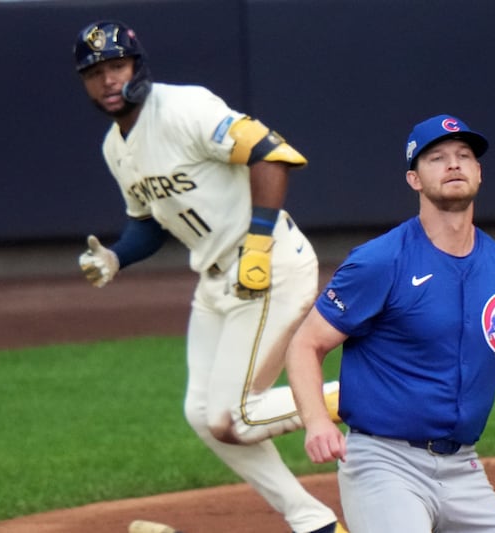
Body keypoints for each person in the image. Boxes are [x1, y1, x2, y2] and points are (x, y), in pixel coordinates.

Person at [72, 20, 345, 533]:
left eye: (116, 66)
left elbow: (271, 152)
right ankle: (315, 522)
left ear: (136, 66)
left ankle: (357, 394)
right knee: (204, 416)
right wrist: (116, 258)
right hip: (215, 281)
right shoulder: (116, 147)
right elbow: (148, 221)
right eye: (95, 73)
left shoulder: (182, 108)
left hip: (269, 266)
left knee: (233, 417)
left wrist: (259, 244)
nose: (108, 80)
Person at [285, 114, 495, 532]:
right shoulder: (380, 261)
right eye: (437, 158)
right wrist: (318, 421)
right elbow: (307, 344)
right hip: (383, 464)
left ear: (479, 173)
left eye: (464, 156)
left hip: (463, 469)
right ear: (414, 179)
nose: (454, 164)